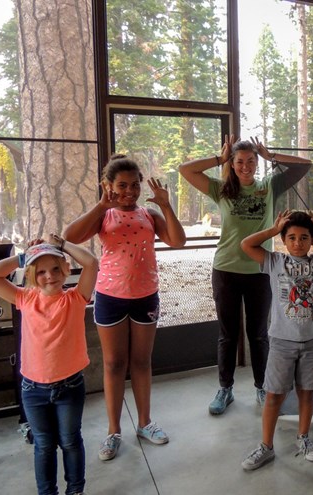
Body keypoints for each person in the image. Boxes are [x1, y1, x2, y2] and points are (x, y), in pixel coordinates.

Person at [63, 154, 186, 461]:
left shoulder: (149, 215)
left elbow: (178, 241)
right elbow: (69, 236)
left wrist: (166, 205)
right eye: (122, 185)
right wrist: (102, 205)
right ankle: (113, 430)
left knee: (142, 363)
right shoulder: (104, 214)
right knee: (114, 364)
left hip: (146, 295)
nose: (129, 192)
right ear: (108, 185)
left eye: (134, 185)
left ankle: (145, 423)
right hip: (110, 297)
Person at [179, 136, 311, 415]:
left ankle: (262, 387)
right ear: (232, 163)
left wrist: (271, 154)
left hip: (260, 270)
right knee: (228, 335)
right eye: (239, 162)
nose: (245, 166)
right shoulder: (222, 189)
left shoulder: (269, 187)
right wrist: (219, 158)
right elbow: (186, 170)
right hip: (226, 269)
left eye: (251, 161)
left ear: (257, 162)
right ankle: (225, 389)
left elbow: (303, 166)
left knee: (259, 334)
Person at [239, 210, 313, 470]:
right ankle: (266, 447)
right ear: (283, 240)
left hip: (312, 342)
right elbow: (246, 244)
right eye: (291, 237)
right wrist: (272, 230)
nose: (297, 242)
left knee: (307, 392)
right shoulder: (274, 261)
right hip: (281, 342)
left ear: (312, 241)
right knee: (273, 396)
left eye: (304, 237)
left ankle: (303, 438)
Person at [0, 235, 98, 495]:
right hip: (33, 390)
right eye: (42, 271)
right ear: (33, 275)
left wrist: (61, 246)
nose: (50, 276)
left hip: (70, 387)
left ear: (66, 269)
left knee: (70, 441)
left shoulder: (76, 298)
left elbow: (91, 263)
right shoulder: (25, 299)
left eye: (56, 268)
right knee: (44, 445)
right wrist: (24, 256)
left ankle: (75, 490)